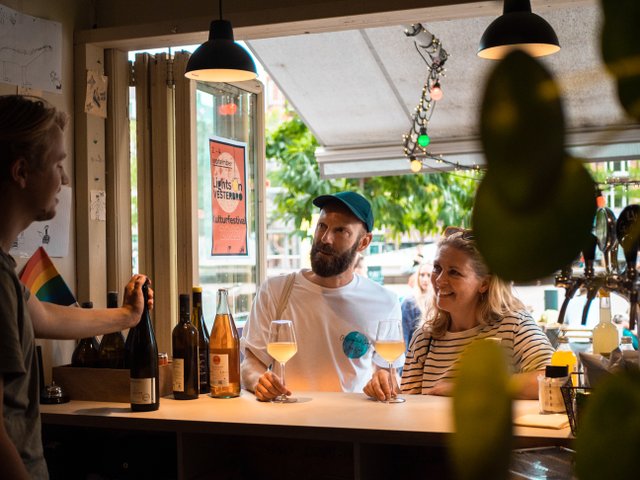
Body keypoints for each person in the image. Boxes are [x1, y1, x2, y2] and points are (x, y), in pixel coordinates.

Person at [0, 95, 153, 479]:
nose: (65, 179)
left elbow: (44, 314)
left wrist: (127, 316)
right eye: (58, 164)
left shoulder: (5, 274)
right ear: (20, 171)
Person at [241, 191, 401, 401]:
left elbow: (390, 374)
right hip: (288, 422)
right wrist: (260, 382)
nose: (325, 239)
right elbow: (250, 365)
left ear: (363, 242)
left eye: (340, 231)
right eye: (322, 226)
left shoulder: (385, 301)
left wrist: (383, 382)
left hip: (353, 425)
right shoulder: (275, 290)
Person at [364, 226, 554, 401]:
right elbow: (410, 407)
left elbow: (555, 377)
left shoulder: (514, 325)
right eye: (437, 268)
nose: (439, 280)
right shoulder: (424, 337)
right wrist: (385, 387)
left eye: (454, 272)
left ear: (484, 284)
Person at [401, 261, 432, 348]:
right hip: (413, 354)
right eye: (422, 275)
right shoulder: (409, 302)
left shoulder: (440, 302)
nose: (425, 279)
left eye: (429, 275)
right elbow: (404, 336)